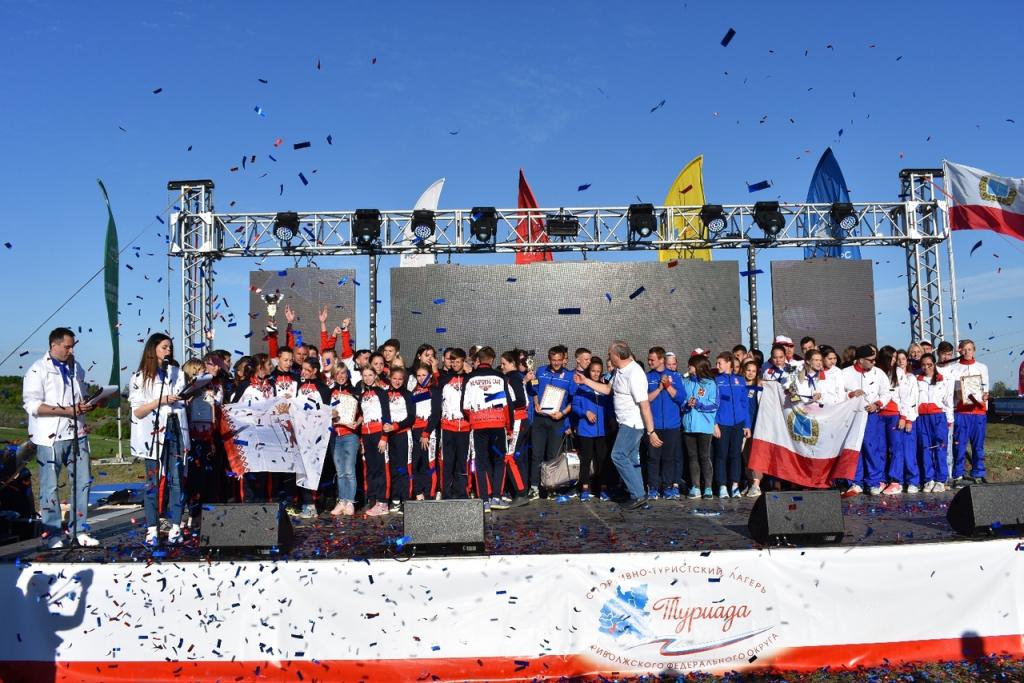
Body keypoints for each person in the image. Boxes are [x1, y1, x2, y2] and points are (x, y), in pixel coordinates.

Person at [23, 327, 100, 548]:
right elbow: (32, 405)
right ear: (53, 345)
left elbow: (81, 395)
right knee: (50, 486)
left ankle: (80, 529)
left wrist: (90, 403)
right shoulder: (37, 370)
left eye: (73, 346)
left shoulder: (77, 368)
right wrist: (66, 410)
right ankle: (53, 533)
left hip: (77, 433)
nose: (71, 350)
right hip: (50, 437)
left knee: (82, 482)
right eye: (67, 347)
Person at [573, 340, 661, 510]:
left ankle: (638, 494)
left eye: (609, 354)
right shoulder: (619, 371)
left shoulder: (634, 373)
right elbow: (607, 390)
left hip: (632, 423)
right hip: (624, 423)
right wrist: (585, 381)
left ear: (617, 355)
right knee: (630, 458)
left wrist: (651, 431)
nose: (608, 356)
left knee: (618, 455)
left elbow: (644, 405)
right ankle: (638, 494)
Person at [129, 333, 190, 546]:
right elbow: (138, 411)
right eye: (164, 347)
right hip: (153, 433)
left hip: (175, 427)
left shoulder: (177, 373)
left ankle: (175, 526)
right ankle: (152, 528)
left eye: (170, 347)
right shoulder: (139, 378)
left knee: (177, 480)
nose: (168, 351)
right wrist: (160, 401)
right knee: (152, 482)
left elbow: (182, 399)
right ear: (153, 349)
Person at [461, 347, 525, 511]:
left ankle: (484, 500)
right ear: (491, 360)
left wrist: (475, 419)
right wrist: (509, 428)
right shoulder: (500, 377)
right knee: (499, 460)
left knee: (481, 461)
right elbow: (508, 405)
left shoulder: (469, 378)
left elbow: (465, 407)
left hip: (479, 425)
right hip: (497, 424)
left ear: (478, 360)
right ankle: (497, 496)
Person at [840, 345, 892, 497]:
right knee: (854, 449)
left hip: (871, 416)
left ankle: (873, 482)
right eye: (870, 360)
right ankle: (856, 482)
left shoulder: (878, 373)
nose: (874, 363)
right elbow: (837, 393)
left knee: (871, 448)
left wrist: (877, 404)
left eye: (874, 360)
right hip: (852, 416)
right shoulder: (845, 373)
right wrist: (851, 394)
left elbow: (886, 393)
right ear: (860, 360)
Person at [529, 345, 575, 498]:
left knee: (553, 455)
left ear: (563, 359)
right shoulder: (540, 371)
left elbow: (573, 401)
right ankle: (534, 487)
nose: (556, 363)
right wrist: (536, 402)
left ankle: (551, 486)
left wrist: (562, 413)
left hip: (557, 421)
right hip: (540, 419)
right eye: (554, 360)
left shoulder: (569, 376)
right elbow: (534, 390)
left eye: (559, 360)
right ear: (549, 359)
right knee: (536, 454)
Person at [429, 348, 471, 499]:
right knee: (447, 462)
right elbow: (435, 384)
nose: (454, 364)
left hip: (465, 426)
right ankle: (446, 493)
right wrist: (434, 368)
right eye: (452, 362)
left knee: (462, 461)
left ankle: (462, 493)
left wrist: (471, 371)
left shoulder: (469, 378)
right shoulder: (445, 378)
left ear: (464, 361)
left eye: (458, 361)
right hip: (448, 427)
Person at [292, 358, 331, 517]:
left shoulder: (323, 389)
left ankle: (312, 503)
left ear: (315, 371)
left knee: (314, 469)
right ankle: (306, 503)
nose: (303, 372)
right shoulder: (298, 386)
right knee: (301, 469)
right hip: (299, 434)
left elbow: (327, 411)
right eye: (302, 369)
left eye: (307, 369)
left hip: (316, 436)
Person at [949, 339, 990, 486]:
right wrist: (958, 394)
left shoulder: (982, 367)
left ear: (974, 350)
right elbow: (951, 391)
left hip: (978, 412)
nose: (967, 352)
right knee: (959, 445)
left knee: (978, 445)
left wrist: (985, 396)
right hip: (961, 412)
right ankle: (958, 473)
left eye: (969, 349)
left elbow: (985, 388)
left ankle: (978, 472)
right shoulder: (954, 368)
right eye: (964, 349)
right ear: (959, 351)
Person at [645, 347, 685, 499]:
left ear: (661, 360)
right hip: (654, 425)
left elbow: (681, 398)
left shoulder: (675, 376)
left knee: (669, 458)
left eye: (652, 359)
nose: (650, 362)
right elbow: (644, 400)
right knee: (653, 458)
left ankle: (667, 486)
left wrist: (668, 386)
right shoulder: (647, 377)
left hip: (672, 425)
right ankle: (653, 487)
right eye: (649, 359)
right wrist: (659, 389)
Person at [571, 358, 611, 502]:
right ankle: (585, 488)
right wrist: (585, 412)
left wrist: (611, 420)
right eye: (593, 371)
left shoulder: (604, 387)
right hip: (586, 430)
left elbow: (610, 406)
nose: (595, 374)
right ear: (589, 371)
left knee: (602, 460)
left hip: (602, 431)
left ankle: (603, 488)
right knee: (586, 459)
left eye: (598, 371)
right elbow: (575, 406)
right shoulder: (582, 387)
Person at [881, 349, 919, 495]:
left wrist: (906, 418)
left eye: (903, 358)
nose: (900, 361)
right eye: (897, 359)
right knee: (889, 449)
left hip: (904, 416)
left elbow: (910, 399)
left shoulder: (908, 377)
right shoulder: (884, 373)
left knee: (907, 451)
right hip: (886, 415)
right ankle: (893, 480)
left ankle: (910, 481)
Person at [681, 355, 719, 499]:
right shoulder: (685, 382)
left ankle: (708, 487)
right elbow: (681, 401)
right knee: (692, 457)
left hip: (704, 426)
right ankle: (695, 486)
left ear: (698, 367)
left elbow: (714, 404)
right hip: (689, 426)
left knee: (704, 456)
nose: (688, 367)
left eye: (691, 365)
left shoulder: (710, 384)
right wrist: (687, 404)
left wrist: (699, 404)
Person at [916, 353, 953, 493]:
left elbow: (948, 401)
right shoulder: (916, 380)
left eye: (929, 365)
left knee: (940, 447)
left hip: (938, 417)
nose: (926, 368)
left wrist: (949, 420)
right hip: (922, 417)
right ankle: (929, 479)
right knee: (925, 448)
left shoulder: (943, 380)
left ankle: (941, 480)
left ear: (934, 364)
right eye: (923, 365)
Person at [713, 352, 749, 498]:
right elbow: (713, 404)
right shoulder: (716, 381)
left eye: (719, 363)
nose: (717, 366)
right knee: (721, 455)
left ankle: (735, 485)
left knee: (735, 455)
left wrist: (747, 425)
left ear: (729, 363)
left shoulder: (740, 380)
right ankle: (722, 486)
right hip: (722, 423)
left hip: (738, 423)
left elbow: (744, 404)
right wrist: (714, 424)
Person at [358, 366, 392, 516]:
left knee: (381, 468)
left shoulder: (382, 393)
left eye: (370, 375)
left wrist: (384, 437)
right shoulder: (362, 395)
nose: (367, 378)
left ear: (375, 375)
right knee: (370, 469)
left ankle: (383, 502)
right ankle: (372, 500)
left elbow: (387, 416)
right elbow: (362, 415)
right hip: (366, 435)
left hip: (379, 433)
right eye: (365, 375)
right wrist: (361, 439)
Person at [327, 364, 361, 516]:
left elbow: (362, 414)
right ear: (334, 376)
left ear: (347, 374)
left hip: (350, 435)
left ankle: (350, 502)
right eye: (338, 373)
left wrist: (357, 424)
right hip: (335, 435)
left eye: (343, 373)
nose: (341, 376)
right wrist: (330, 414)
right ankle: (341, 501)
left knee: (349, 471)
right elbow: (323, 413)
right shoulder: (330, 393)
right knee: (340, 472)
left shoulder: (354, 392)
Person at [383, 367, 416, 512]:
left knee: (404, 468)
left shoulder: (408, 394)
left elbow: (411, 417)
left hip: (403, 434)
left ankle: (406, 500)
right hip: (389, 436)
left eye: (400, 379)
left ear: (404, 380)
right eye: (394, 378)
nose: (397, 381)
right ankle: (396, 499)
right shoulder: (385, 394)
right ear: (390, 378)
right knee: (393, 468)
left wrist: (395, 426)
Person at [409, 363, 438, 501]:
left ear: (430, 376)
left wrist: (426, 433)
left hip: (428, 432)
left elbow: (436, 414)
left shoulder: (434, 390)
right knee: (416, 464)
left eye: (424, 375)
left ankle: (430, 495)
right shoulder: (414, 392)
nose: (421, 378)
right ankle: (418, 492)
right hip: (414, 431)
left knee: (429, 464)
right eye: (418, 375)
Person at [741, 360, 764, 497]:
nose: (750, 373)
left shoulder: (759, 387)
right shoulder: (739, 385)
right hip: (742, 424)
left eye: (753, 371)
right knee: (745, 455)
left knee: (755, 454)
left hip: (756, 425)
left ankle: (756, 484)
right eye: (748, 370)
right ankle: (750, 482)